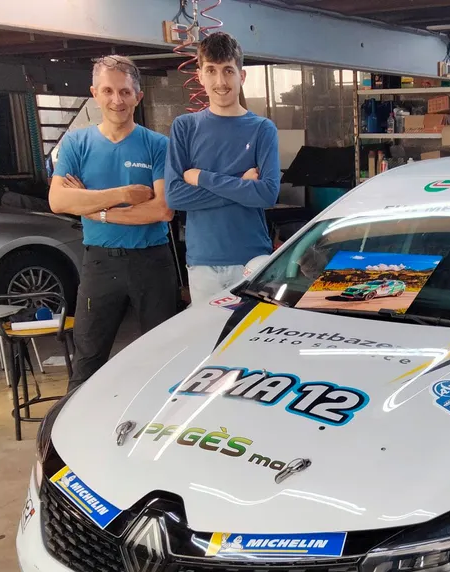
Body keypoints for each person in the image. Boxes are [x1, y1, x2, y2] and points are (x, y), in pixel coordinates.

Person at [48, 54, 176, 390]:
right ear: (94, 93)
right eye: (107, 91)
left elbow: (162, 210)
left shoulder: (158, 145)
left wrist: (93, 208)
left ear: (138, 96)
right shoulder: (77, 143)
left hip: (152, 261)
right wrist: (121, 194)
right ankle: (72, 436)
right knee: (87, 359)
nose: (116, 100)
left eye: (124, 92)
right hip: (101, 263)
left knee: (163, 358)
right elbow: (58, 200)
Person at [165, 32, 280, 307]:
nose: (220, 81)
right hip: (204, 263)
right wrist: (241, 185)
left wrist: (202, 177)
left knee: (252, 343)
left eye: (228, 71)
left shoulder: (263, 129)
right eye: (212, 71)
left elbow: (266, 194)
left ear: (242, 76)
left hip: (251, 260)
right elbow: (175, 197)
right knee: (210, 345)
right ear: (200, 75)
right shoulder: (185, 127)